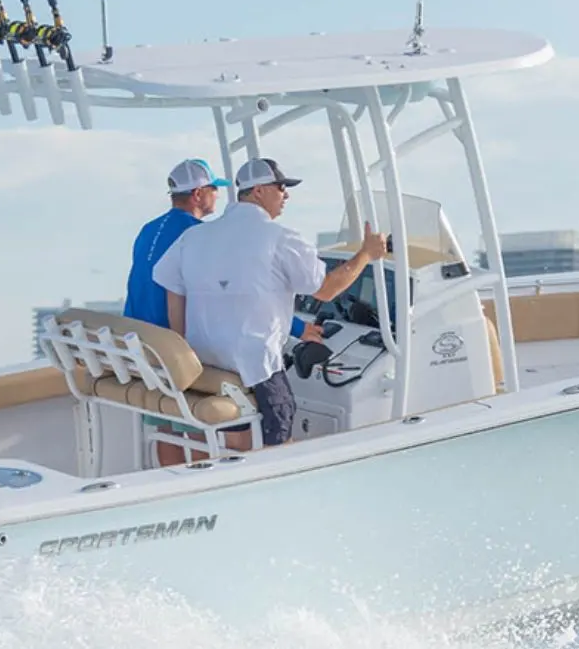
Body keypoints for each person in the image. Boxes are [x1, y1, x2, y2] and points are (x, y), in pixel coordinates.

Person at [152, 157, 388, 450]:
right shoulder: (281, 238)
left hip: (204, 363)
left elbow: (170, 285)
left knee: (228, 435)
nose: (285, 194)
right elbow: (326, 290)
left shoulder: (194, 236)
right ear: (259, 191)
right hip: (255, 364)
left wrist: (185, 343)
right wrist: (366, 254)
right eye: (281, 187)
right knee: (281, 422)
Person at [123, 158, 321, 466]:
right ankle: (208, 482)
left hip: (144, 349)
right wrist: (297, 328)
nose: (219, 195)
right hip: (175, 351)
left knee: (167, 425)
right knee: (200, 430)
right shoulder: (194, 233)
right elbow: (226, 293)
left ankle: (177, 484)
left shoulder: (148, 230)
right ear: (199, 193)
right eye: (214, 189)